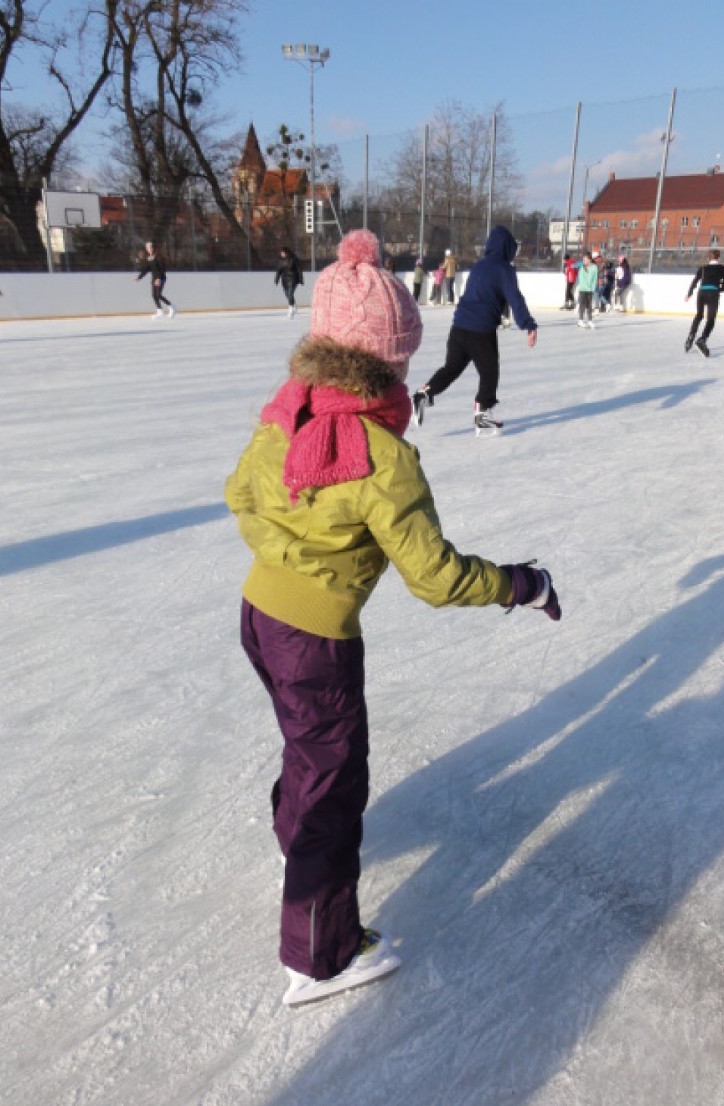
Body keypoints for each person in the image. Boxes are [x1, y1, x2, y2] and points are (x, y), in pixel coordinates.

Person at [224, 228, 561, 1007]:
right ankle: (321, 957)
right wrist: (521, 584)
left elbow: (240, 493)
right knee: (337, 782)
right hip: (313, 639)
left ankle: (292, 844)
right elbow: (436, 578)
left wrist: (287, 553)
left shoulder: (288, 410)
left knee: (310, 751)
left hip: (258, 615)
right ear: (389, 359)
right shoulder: (382, 453)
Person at [412, 225, 537, 434]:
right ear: (507, 249)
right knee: (489, 372)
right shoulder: (504, 269)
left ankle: (424, 393)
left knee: (451, 368)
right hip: (481, 330)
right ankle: (482, 414)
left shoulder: (479, 266)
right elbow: (515, 298)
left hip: (459, 327)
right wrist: (528, 324)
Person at [685, 249, 724, 356]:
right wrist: (718, 289)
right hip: (713, 293)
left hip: (701, 293)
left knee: (699, 315)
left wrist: (689, 293)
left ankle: (691, 337)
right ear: (718, 258)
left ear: (708, 258)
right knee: (711, 319)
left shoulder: (703, 268)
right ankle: (702, 339)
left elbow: (695, 280)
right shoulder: (722, 268)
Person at [136, 241, 176, 319]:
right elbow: (146, 269)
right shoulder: (149, 258)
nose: (149, 249)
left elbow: (162, 268)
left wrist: (159, 278)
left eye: (150, 247)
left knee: (158, 295)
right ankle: (160, 310)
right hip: (154, 278)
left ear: (153, 248)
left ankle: (172, 307)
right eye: (147, 248)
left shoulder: (158, 256)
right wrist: (139, 277)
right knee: (154, 295)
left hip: (161, 278)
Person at [275, 247, 304, 319]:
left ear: (287, 252)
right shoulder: (281, 261)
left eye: (283, 253)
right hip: (284, 279)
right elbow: (279, 270)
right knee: (287, 294)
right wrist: (277, 279)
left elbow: (299, 269)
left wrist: (301, 279)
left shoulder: (293, 259)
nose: (282, 254)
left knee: (290, 293)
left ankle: (291, 309)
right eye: (281, 253)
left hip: (293, 279)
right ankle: (294, 305)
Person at [576, 252, 598, 330]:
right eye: (583, 259)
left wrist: (593, 287)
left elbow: (595, 278)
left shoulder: (594, 267)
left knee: (589, 306)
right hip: (583, 289)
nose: (584, 261)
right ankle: (580, 320)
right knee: (582, 305)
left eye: (585, 259)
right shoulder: (582, 267)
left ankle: (590, 320)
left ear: (589, 259)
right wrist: (580, 286)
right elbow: (580, 278)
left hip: (590, 289)